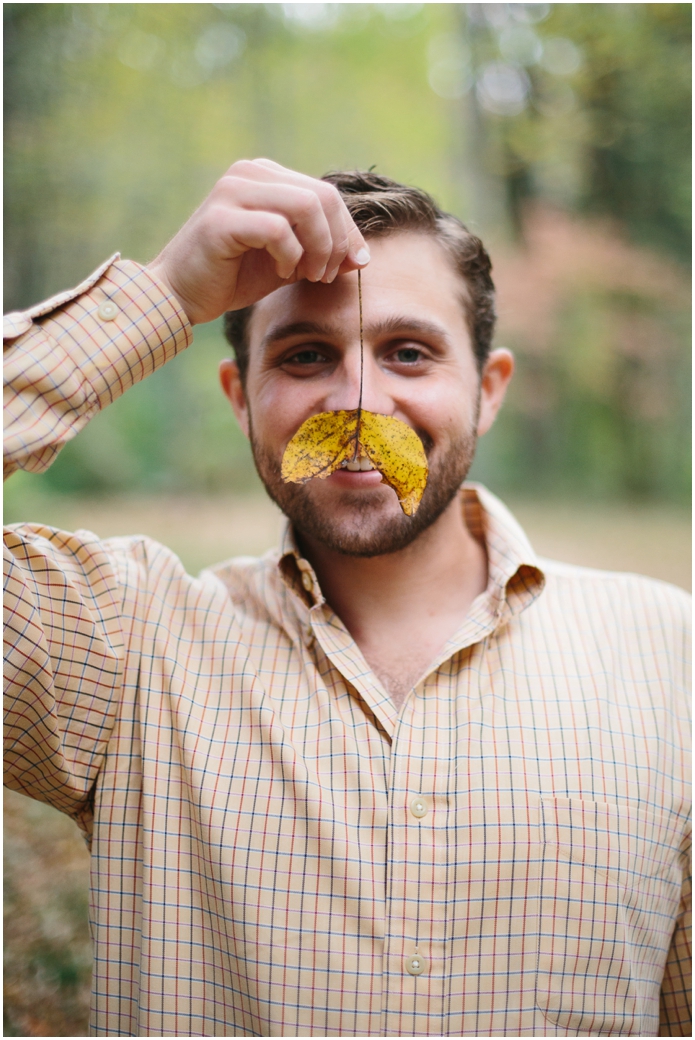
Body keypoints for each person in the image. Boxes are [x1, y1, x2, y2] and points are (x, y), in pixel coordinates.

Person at [4, 159, 690, 1039]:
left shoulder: (671, 652)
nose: (359, 400)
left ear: (486, 392)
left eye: (408, 351)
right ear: (241, 400)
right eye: (304, 356)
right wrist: (167, 294)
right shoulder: (119, 648)